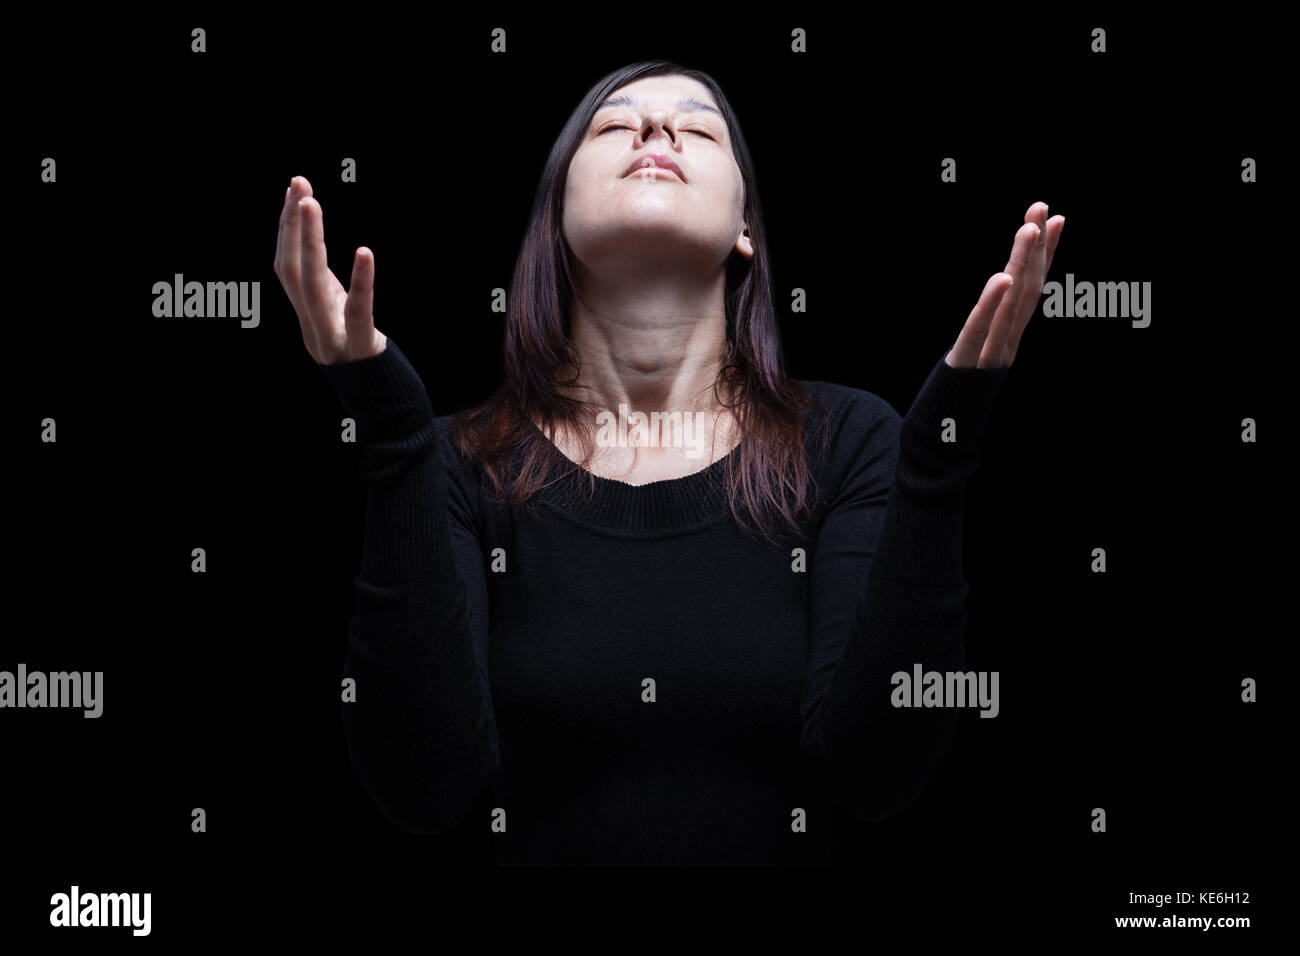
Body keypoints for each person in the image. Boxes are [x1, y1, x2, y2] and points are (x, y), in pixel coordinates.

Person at [272, 60, 1065, 866]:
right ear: (555, 216)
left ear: (745, 226)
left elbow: (875, 775)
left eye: (699, 125)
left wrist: (934, 464)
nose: (656, 131)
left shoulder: (850, 439)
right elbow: (422, 788)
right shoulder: (457, 463)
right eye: (615, 125)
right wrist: (392, 429)